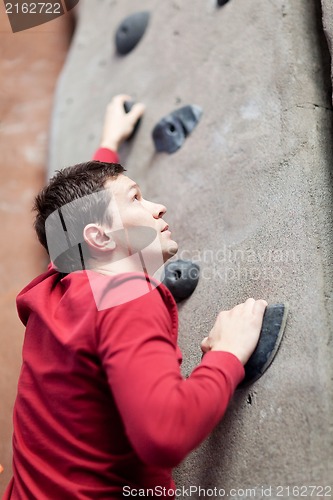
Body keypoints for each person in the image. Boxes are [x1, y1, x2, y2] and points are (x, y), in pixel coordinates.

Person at [3, 94, 267, 499]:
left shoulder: (59, 283)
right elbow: (164, 435)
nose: (159, 208)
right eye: (137, 198)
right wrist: (226, 356)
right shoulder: (125, 294)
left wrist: (110, 142)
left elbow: (73, 225)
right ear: (100, 237)